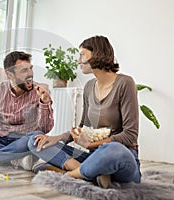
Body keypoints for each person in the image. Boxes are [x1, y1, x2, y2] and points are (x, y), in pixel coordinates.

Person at [28, 35, 141, 188]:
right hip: (94, 156)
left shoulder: (125, 83)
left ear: (97, 54)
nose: (78, 60)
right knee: (35, 140)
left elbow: (130, 135)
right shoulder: (88, 87)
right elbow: (83, 128)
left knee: (113, 149)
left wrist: (92, 145)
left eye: (82, 54)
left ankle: (70, 174)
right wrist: (57, 138)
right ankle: (92, 173)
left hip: (120, 158)